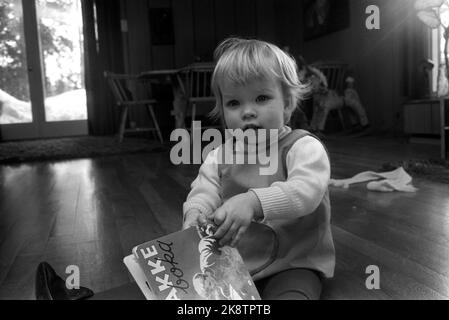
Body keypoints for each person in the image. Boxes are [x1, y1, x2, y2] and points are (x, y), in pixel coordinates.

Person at [182, 37, 335, 300]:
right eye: (234, 103)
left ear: (287, 104)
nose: (248, 112)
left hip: (293, 262)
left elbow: (306, 192)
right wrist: (196, 212)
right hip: (235, 263)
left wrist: (252, 202)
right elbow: (204, 190)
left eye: (261, 98)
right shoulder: (219, 155)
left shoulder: (303, 147)